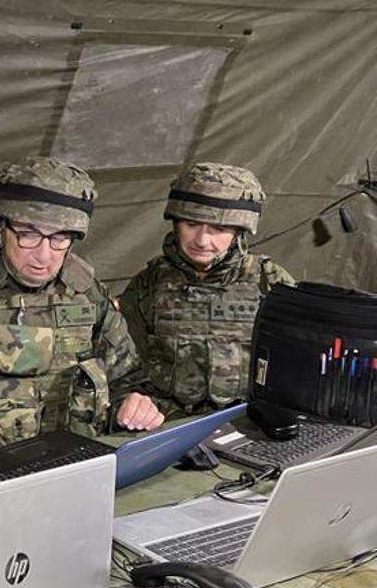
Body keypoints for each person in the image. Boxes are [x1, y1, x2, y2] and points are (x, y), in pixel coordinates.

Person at [0, 157, 164, 455]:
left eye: (59, 238)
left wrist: (133, 405)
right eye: (29, 234)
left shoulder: (87, 292)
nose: (43, 255)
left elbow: (126, 380)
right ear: (0, 230)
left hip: (72, 459)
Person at [118, 163, 295, 418]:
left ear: (238, 233)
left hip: (248, 424)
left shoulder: (270, 283)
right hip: (168, 427)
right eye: (191, 224)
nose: (202, 240)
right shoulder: (149, 285)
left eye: (218, 229)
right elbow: (123, 370)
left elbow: (297, 367)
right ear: (176, 223)